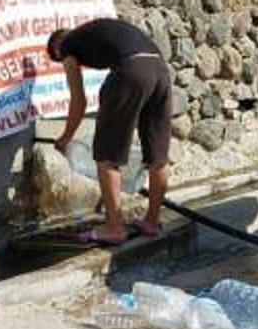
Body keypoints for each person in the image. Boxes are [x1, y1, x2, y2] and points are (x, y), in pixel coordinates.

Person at [47, 18, 173, 245]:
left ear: (57, 48)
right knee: (158, 157)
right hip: (160, 71)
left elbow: (79, 100)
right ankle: (152, 222)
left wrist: (65, 138)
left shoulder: (66, 47)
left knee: (106, 156)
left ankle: (115, 228)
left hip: (132, 71)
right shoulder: (94, 34)